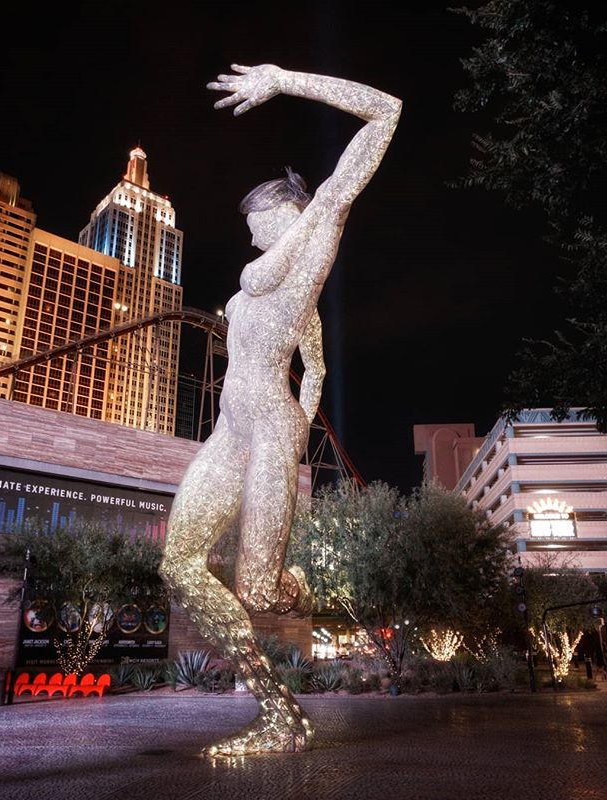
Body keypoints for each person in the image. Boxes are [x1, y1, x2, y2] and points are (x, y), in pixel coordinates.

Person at [160, 63, 402, 757]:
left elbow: (386, 110)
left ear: (287, 214)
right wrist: (309, 395)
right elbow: (316, 360)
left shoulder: (316, 235)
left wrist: (283, 78)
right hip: (228, 428)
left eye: (261, 219)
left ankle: (287, 582)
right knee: (178, 563)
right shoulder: (257, 281)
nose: (255, 231)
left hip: (268, 426)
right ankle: (279, 715)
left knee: (259, 591)